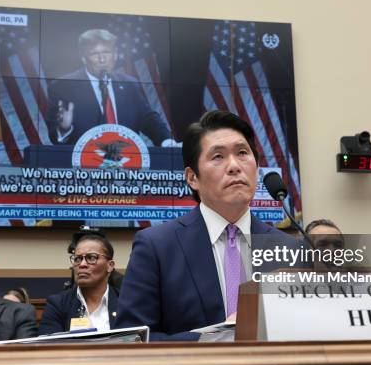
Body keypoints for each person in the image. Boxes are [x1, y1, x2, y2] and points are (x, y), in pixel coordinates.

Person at [115, 110, 300, 341]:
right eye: (218, 157)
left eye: (243, 153)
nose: (234, 166)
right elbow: (132, 341)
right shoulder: (157, 247)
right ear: (192, 178)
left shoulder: (290, 249)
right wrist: (218, 337)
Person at [48, 29, 171, 147]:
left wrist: (166, 141)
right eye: (95, 54)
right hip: (83, 162)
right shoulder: (63, 86)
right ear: (84, 58)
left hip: (126, 159)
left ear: (115, 55)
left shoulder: (130, 84)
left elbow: (148, 119)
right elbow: (55, 137)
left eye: (106, 52)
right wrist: (64, 129)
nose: (102, 59)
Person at [39, 233, 119, 335]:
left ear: (110, 266)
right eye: (77, 259)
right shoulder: (58, 305)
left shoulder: (125, 304)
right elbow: (48, 347)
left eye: (91, 258)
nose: (82, 264)